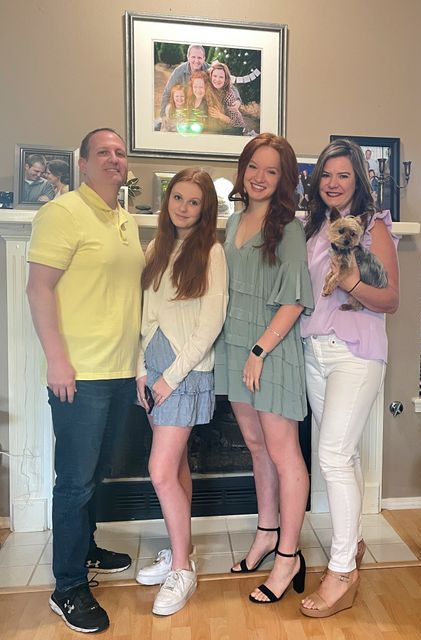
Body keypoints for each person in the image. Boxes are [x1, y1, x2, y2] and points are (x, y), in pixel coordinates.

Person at [26, 128, 145, 634]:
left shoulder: (125, 219)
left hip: (120, 372)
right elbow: (38, 290)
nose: (114, 159)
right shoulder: (62, 212)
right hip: (79, 375)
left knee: (96, 473)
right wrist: (57, 360)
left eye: (120, 152)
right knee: (74, 482)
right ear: (82, 163)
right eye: (103, 152)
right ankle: (68, 587)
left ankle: (87, 549)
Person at [299, 138, 399, 618]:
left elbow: (391, 299)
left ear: (358, 178)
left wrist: (352, 282)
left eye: (343, 174)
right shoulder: (314, 227)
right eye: (326, 175)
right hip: (314, 351)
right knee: (347, 454)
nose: (334, 183)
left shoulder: (374, 226)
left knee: (333, 457)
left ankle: (341, 571)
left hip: (356, 354)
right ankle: (353, 543)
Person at [215, 132, 314, 604]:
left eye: (271, 170)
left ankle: (288, 556)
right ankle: (266, 534)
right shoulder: (234, 219)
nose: (259, 177)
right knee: (256, 448)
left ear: (283, 179)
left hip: (268, 351)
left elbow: (295, 300)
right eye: (253, 166)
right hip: (235, 347)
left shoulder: (290, 228)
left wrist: (259, 350)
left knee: (283, 453)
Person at [135, 168, 228, 616]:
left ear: (205, 208)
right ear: (167, 199)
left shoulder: (211, 252)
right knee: (175, 467)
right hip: (152, 369)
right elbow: (146, 316)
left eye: (194, 202)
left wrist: (169, 378)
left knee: (159, 472)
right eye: (178, 198)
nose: (184, 208)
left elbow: (209, 326)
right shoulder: (157, 247)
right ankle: (181, 552)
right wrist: (141, 371)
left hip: (183, 375)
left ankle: (182, 573)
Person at [159, 44, 209, 118]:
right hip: (184, 109)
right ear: (188, 57)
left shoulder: (209, 70)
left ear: (204, 58)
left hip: (203, 109)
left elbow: (224, 83)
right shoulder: (179, 71)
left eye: (199, 57)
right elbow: (167, 92)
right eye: (193, 57)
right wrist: (163, 115)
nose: (196, 61)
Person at [207, 61, 246, 132]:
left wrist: (219, 115)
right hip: (221, 125)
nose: (217, 80)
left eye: (221, 77)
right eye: (215, 76)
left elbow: (233, 122)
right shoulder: (212, 89)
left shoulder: (229, 96)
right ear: (211, 76)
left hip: (235, 128)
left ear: (225, 79)